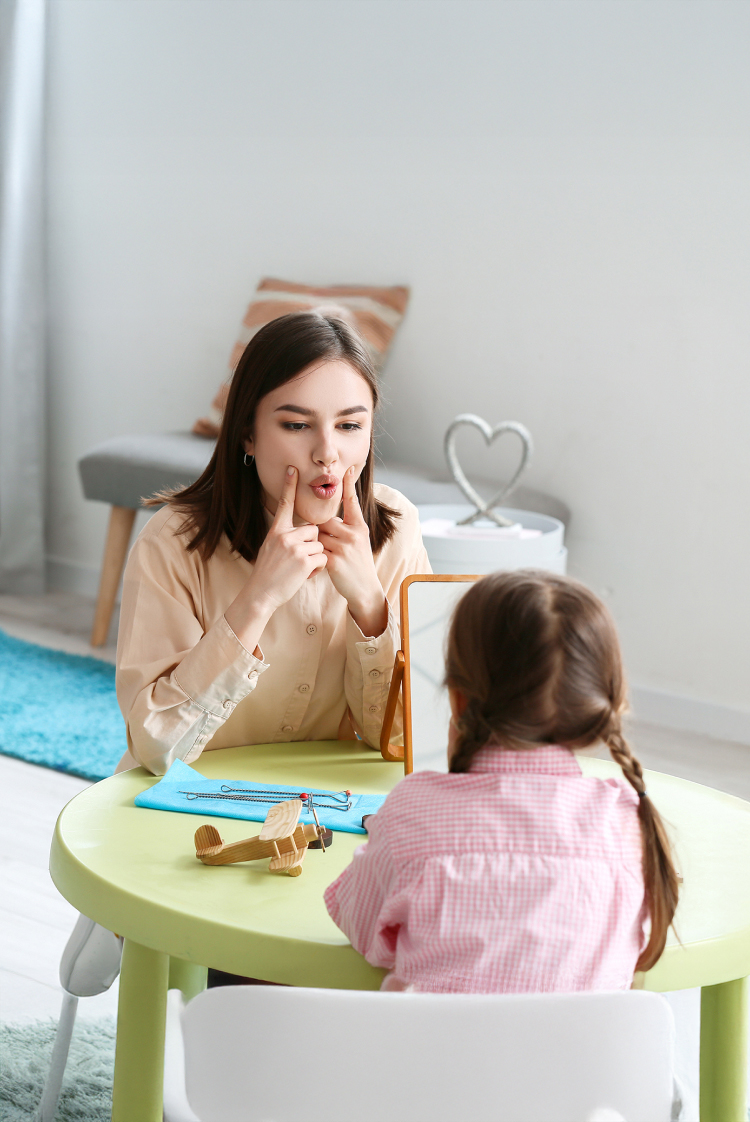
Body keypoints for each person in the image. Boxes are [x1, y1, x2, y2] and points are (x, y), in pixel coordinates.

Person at [325, 569, 680, 993]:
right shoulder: (626, 824)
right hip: (582, 1060)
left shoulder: (413, 810)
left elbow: (363, 930)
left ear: (458, 698)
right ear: (599, 702)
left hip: (428, 1059)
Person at [115, 312, 430, 775]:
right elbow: (156, 746)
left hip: (321, 810)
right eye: (297, 426)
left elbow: (410, 740)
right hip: (180, 805)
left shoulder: (396, 530)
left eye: (349, 426)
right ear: (247, 433)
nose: (327, 452)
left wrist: (369, 604)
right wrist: (257, 600)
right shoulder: (172, 542)